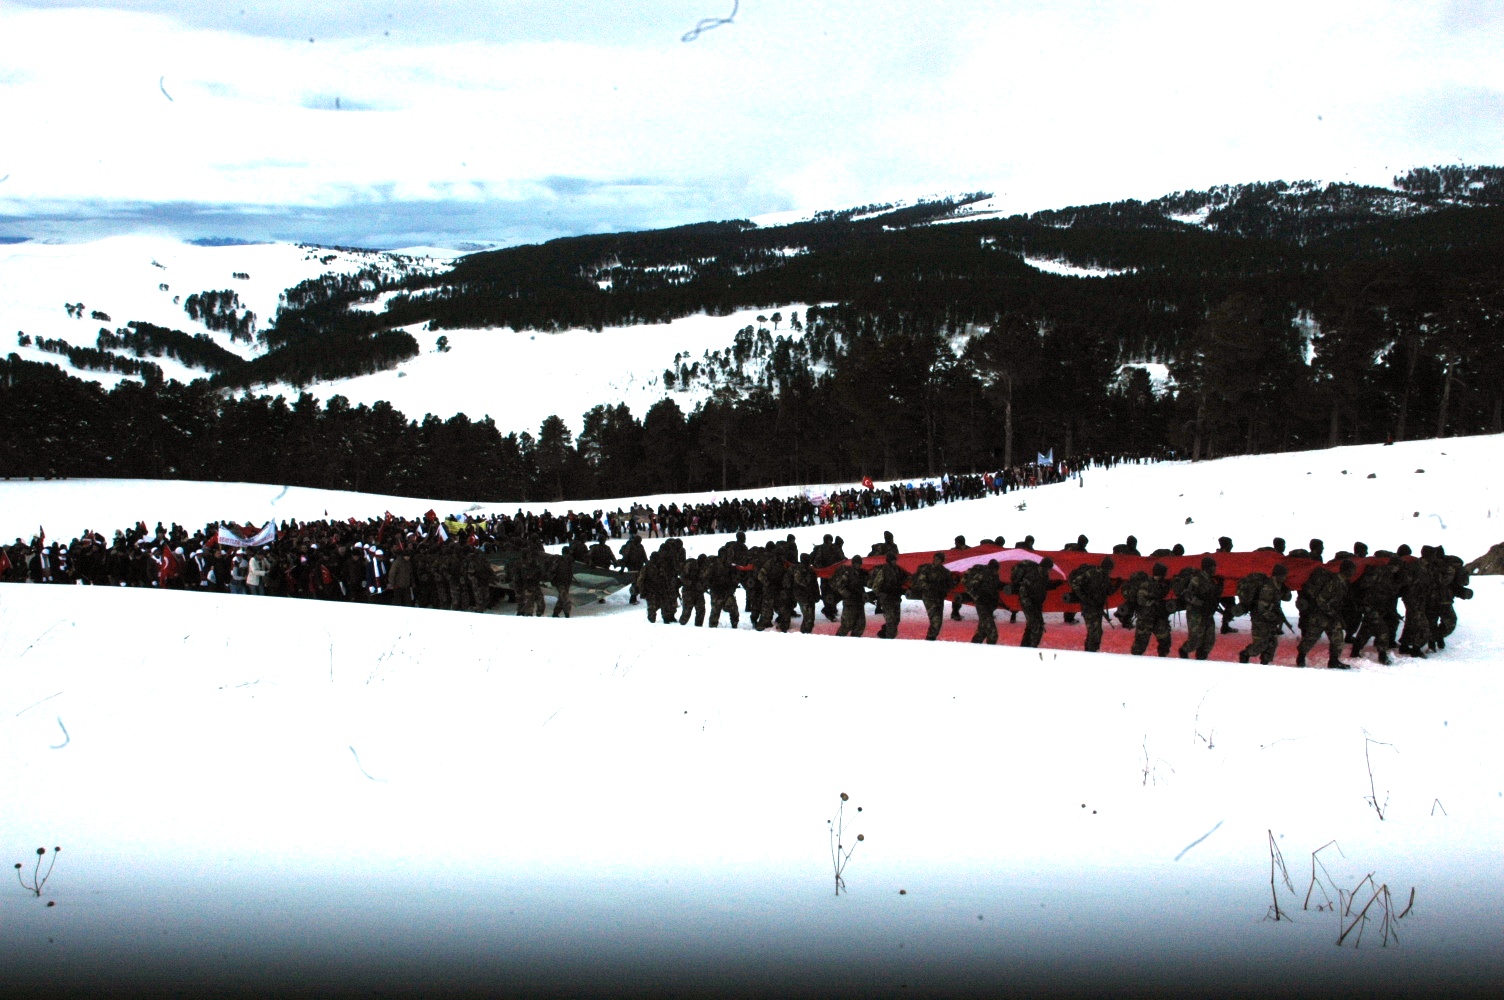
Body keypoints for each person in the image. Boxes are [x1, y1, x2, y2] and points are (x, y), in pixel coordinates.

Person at [1294, 560, 1355, 668]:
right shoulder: (1334, 582)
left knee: (1338, 639)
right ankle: (1301, 658)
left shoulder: (1344, 583)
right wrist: (1331, 612)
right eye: (1352, 570)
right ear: (1346, 570)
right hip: (1320, 615)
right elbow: (1321, 600)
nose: (1353, 572)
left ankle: (1334, 661)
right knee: (1311, 638)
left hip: (1332, 615)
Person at [1239, 564, 1291, 664]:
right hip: (1260, 619)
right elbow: (1261, 608)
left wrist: (1286, 589)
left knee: (1272, 644)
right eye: (1283, 575)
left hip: (1270, 619)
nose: (1285, 578)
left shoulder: (1278, 586)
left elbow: (1288, 598)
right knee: (1260, 644)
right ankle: (1245, 654)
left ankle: (1264, 664)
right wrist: (1273, 617)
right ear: (1277, 575)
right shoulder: (1268, 587)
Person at [1066, 556, 1117, 653]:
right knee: (1094, 632)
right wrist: (1084, 598)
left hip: (1097, 607)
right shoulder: (1092, 573)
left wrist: (1117, 585)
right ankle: (1090, 653)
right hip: (1089, 607)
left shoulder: (1105, 576)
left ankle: (1090, 651)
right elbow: (1075, 583)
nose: (1110, 572)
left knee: (1096, 632)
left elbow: (1108, 591)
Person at [1175, 557, 1220, 660]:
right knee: (1195, 639)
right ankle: (1184, 651)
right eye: (1213, 567)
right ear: (1207, 567)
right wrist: (1201, 604)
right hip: (1195, 612)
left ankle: (1201, 658)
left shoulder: (1211, 580)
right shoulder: (1197, 579)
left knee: (1209, 639)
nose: (1214, 569)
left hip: (1207, 613)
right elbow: (1188, 595)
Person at [1129, 563, 1173, 657]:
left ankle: (1162, 660)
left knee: (1165, 641)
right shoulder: (1147, 584)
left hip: (1158, 618)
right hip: (1146, 619)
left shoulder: (1161, 584)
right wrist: (1154, 603)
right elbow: (1141, 600)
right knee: (1140, 645)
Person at [911, 552, 957, 641]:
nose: (936, 561)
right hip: (929, 597)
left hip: (939, 598)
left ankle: (931, 638)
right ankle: (930, 639)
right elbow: (921, 582)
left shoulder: (945, 572)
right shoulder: (927, 569)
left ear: (942, 561)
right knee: (936, 620)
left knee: (938, 621)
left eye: (939, 560)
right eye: (935, 559)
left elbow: (950, 585)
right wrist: (931, 587)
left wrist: (953, 583)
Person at [868, 551, 910, 639]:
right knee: (891, 622)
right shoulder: (883, 571)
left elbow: (907, 576)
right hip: (887, 600)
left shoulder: (898, 569)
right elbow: (875, 586)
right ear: (888, 561)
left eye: (895, 560)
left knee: (896, 621)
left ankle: (884, 633)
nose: (894, 562)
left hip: (895, 599)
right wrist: (882, 596)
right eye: (892, 560)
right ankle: (888, 639)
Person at [962, 560, 1002, 644]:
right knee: (992, 633)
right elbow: (969, 587)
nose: (996, 572)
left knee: (982, 631)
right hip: (982, 605)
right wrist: (978, 598)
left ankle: (974, 647)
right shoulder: (982, 574)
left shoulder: (994, 575)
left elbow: (995, 587)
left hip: (989, 605)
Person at [831, 555, 869, 638]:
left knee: (860, 626)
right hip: (850, 603)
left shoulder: (861, 573)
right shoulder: (847, 573)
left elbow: (864, 584)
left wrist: (863, 594)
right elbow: (840, 586)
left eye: (859, 563)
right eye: (856, 563)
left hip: (859, 602)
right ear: (853, 564)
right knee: (846, 625)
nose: (858, 565)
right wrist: (849, 595)